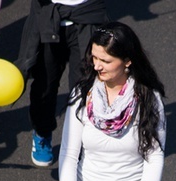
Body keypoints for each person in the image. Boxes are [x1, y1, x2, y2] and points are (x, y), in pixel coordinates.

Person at [59, 21, 166, 181]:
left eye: (105, 61)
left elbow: (154, 155)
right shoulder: (82, 95)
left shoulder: (149, 99)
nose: (97, 66)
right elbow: (69, 153)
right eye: (94, 57)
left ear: (127, 61)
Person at [15, 0, 108, 168]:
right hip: (47, 14)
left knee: (85, 88)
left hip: (86, 15)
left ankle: (81, 141)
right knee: (45, 84)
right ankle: (42, 132)